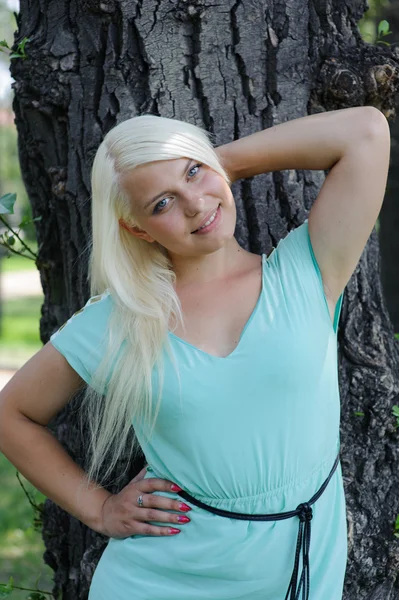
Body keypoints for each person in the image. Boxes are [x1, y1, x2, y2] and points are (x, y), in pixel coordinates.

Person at [0, 107, 390, 600]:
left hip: (303, 567)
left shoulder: (306, 272)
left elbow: (366, 132)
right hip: (162, 580)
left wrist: (214, 163)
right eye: (162, 202)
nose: (195, 204)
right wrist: (99, 509)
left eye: (193, 173)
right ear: (138, 229)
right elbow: (11, 414)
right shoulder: (119, 323)